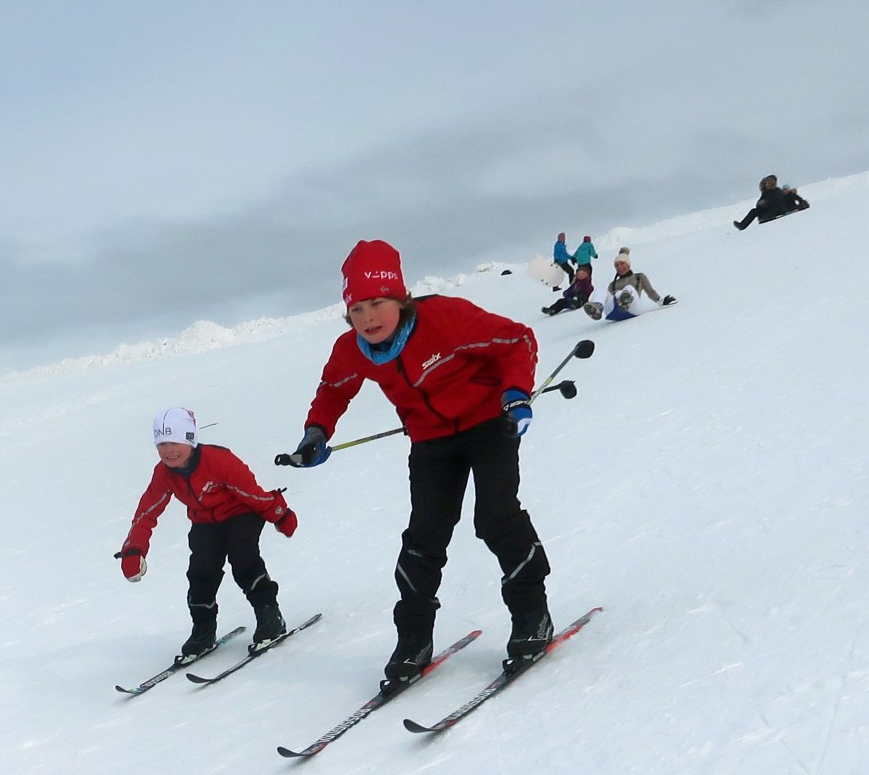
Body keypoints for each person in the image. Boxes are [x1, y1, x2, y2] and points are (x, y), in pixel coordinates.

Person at [281, 239, 550, 684]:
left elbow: (517, 340)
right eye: (356, 308)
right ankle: (413, 640)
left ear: (400, 299)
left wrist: (516, 395)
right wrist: (317, 433)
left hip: (489, 425)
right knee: (424, 536)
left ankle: (531, 615)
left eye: (377, 303)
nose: (367, 317)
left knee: (496, 518)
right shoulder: (352, 349)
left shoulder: (446, 318)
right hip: (431, 441)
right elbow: (333, 390)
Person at [117, 406, 297, 658]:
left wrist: (280, 514)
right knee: (201, 572)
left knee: (243, 560)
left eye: (174, 442)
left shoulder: (220, 461)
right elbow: (147, 511)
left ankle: (270, 616)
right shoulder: (164, 473)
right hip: (205, 522)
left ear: (190, 439)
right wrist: (134, 550)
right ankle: (203, 629)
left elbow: (252, 494)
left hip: (241, 514)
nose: (168, 450)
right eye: (162, 444)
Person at [586, 248, 676, 320]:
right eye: (616, 265)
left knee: (629, 288)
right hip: (614, 312)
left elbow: (650, 291)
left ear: (628, 264)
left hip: (633, 309)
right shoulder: (612, 284)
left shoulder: (639, 277)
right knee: (601, 289)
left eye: (622, 264)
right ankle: (597, 308)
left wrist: (661, 301)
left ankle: (625, 303)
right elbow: (608, 300)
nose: (619, 267)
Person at [734, 175, 810, 230]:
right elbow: (760, 205)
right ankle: (742, 225)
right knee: (754, 211)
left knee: (788, 196)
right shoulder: (766, 193)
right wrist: (762, 203)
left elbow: (778, 200)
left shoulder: (776, 191)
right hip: (771, 211)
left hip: (778, 210)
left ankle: (802, 204)